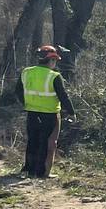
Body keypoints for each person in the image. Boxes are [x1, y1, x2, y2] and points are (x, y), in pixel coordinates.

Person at [13, 45, 75, 178]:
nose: (55, 63)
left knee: (32, 141)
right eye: (55, 61)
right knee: (45, 143)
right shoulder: (54, 76)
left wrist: (26, 103)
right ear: (51, 60)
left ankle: (29, 169)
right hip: (50, 114)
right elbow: (63, 96)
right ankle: (41, 172)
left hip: (32, 113)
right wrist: (71, 112)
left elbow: (18, 91)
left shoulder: (26, 72)